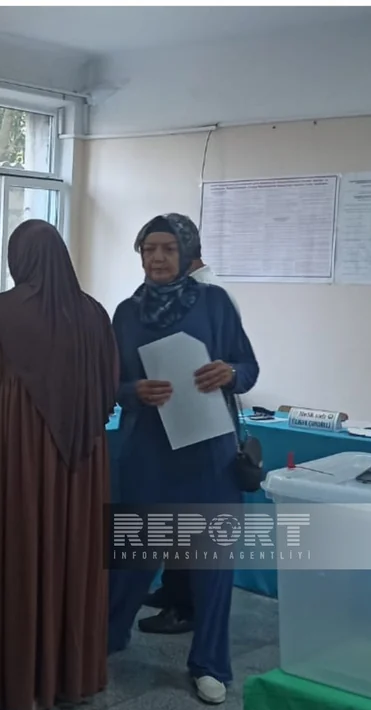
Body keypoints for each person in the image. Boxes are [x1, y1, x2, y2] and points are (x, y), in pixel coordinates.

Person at [0, 219, 117, 710]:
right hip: (82, 459)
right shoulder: (95, 315)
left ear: (17, 259)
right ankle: (70, 678)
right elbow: (109, 390)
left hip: (16, 452)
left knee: (15, 550)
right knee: (73, 553)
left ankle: (13, 681)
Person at [108, 213, 259, 705]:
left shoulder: (214, 303)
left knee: (212, 567)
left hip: (208, 453)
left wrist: (229, 373)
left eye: (167, 248)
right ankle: (108, 637)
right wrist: (133, 390)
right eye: (148, 248)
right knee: (133, 557)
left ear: (187, 253)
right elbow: (108, 383)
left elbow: (249, 367)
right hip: (147, 452)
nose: (156, 258)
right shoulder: (126, 313)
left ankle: (210, 665)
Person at [143, 252, 243, 635]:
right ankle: (173, 591)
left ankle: (184, 606)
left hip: (198, 422)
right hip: (184, 419)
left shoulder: (206, 296)